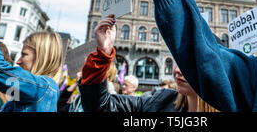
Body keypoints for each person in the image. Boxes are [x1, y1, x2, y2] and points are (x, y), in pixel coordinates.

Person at [78, 15, 219, 112]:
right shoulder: (160, 101)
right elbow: (101, 107)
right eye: (179, 61)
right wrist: (103, 55)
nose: (178, 70)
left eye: (190, 64)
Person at [0, 22, 63, 112]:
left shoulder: (42, 88)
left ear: (42, 57)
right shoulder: (33, 92)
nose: (18, 61)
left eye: (24, 54)